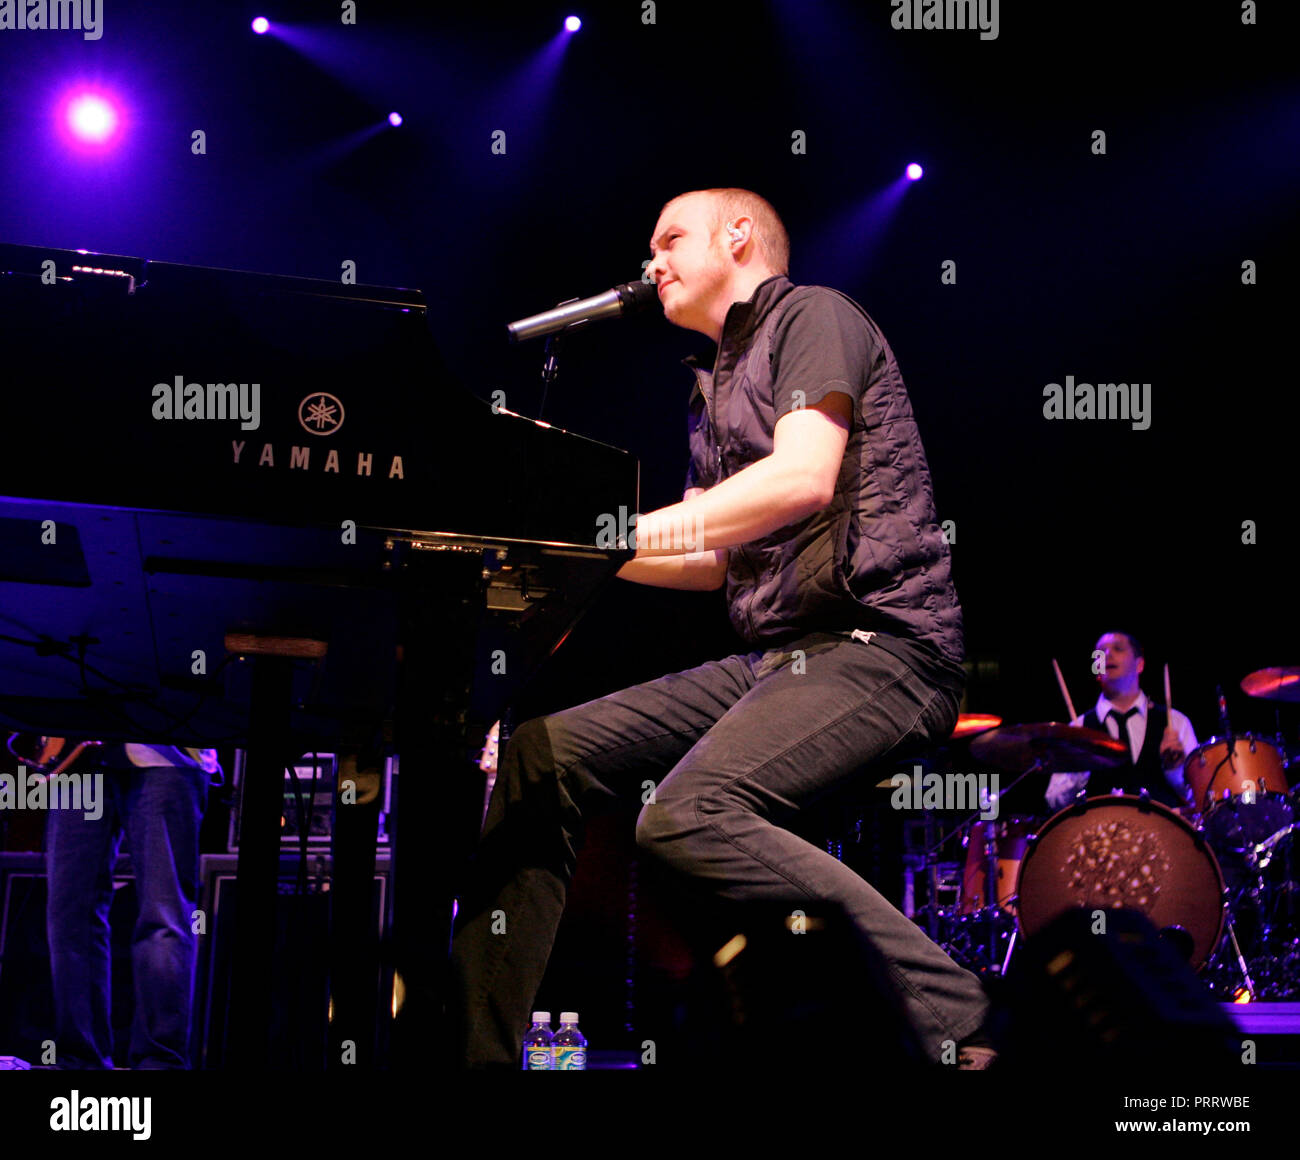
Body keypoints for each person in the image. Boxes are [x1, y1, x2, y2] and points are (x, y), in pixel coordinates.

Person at [448, 187, 992, 1068]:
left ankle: (964, 1016)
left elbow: (802, 480)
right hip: (781, 656)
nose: (651, 262)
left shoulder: (814, 317)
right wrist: (560, 542)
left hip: (886, 644)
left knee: (689, 813)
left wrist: (605, 536)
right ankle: (471, 1058)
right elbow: (708, 561)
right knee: (541, 755)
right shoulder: (713, 388)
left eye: (668, 240)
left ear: (738, 235)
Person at [44, 741, 217, 1069]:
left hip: (167, 755)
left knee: (164, 917)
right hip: (79, 763)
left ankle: (160, 1061)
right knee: (69, 919)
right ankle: (79, 1059)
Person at [1044, 631, 1196, 812]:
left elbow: (1197, 796)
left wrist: (1175, 769)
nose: (1107, 655)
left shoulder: (1175, 722)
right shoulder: (1076, 730)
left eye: (1118, 648)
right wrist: (1079, 767)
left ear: (1139, 664)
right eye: (1099, 653)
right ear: (1095, 669)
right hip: (1098, 836)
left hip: (1160, 835)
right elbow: (1054, 802)